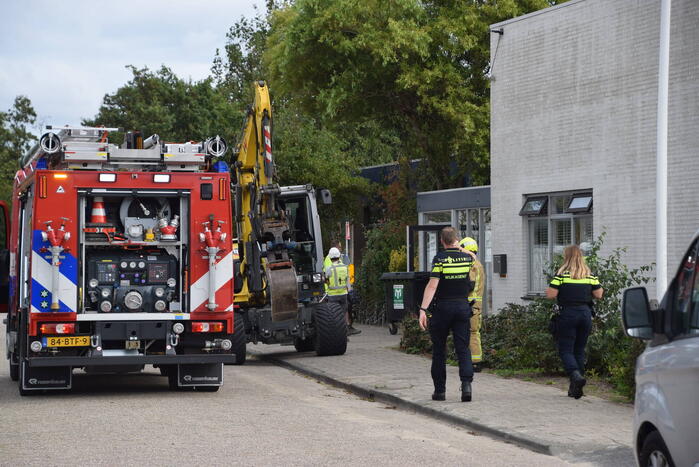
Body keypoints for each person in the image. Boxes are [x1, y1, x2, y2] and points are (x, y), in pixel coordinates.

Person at [418, 227, 475, 402]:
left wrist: (423, 309)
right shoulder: (466, 258)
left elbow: (433, 285)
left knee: (439, 350)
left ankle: (440, 391)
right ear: (456, 239)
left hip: (442, 308)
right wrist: (461, 248)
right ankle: (466, 386)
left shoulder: (440, 259)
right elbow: (474, 257)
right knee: (463, 349)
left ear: (442, 241)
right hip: (462, 307)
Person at [546, 245, 603, 399]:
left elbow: (551, 295)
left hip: (567, 314)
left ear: (566, 257)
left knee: (565, 350)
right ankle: (576, 389)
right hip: (585, 314)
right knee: (579, 350)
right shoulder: (590, 275)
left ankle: (575, 375)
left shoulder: (561, 275)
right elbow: (598, 294)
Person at [459, 237, 484, 372]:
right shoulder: (477, 263)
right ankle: (472, 360)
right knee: (471, 332)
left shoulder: (472, 265)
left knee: (472, 332)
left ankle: (475, 362)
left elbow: (470, 285)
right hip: (473, 304)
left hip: (471, 305)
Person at [324, 241, 360, 335]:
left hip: (332, 294)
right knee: (344, 312)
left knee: (333, 314)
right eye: (339, 247)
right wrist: (348, 289)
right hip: (343, 293)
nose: (341, 249)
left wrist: (327, 289)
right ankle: (345, 331)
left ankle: (335, 333)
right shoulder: (344, 267)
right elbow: (347, 279)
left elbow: (326, 279)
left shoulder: (329, 265)